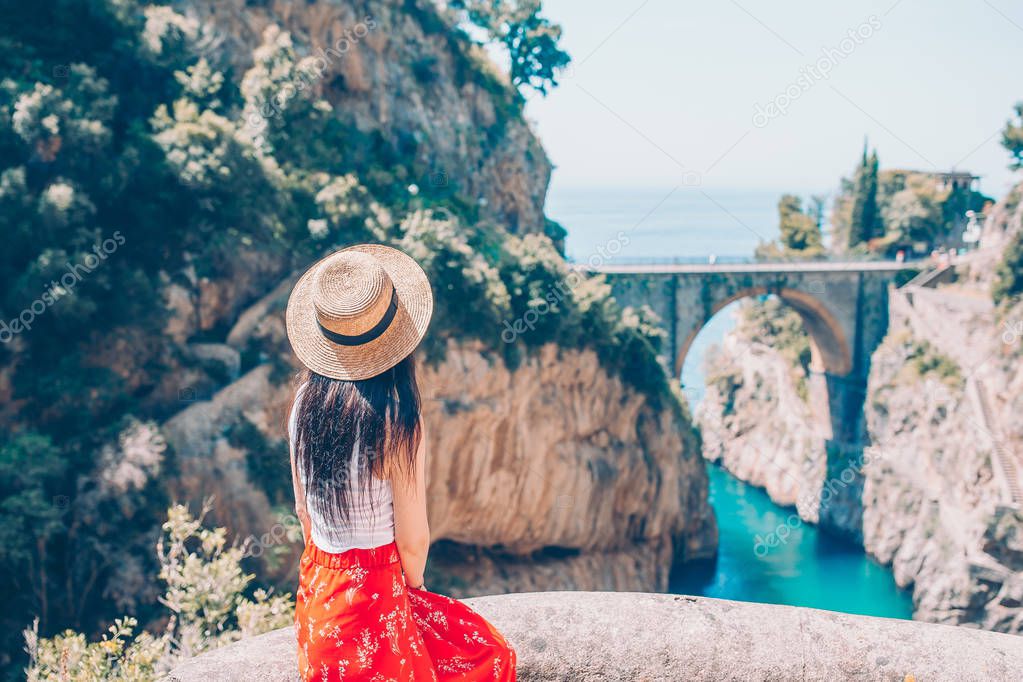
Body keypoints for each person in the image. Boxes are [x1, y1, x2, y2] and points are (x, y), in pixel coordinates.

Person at [285, 244, 516, 681]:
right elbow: (412, 542)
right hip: (377, 595)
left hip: (319, 597)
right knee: (490, 654)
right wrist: (415, 591)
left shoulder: (301, 406)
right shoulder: (395, 418)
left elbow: (303, 512)